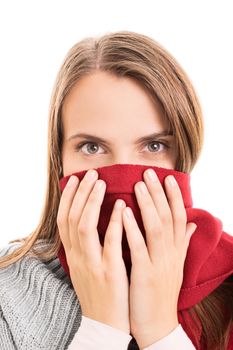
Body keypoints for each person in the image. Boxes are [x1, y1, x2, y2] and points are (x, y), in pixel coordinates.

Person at [0, 30, 233, 350]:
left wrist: (160, 330)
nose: (122, 169)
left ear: (184, 155)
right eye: (92, 147)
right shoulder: (6, 291)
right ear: (59, 160)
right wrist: (101, 329)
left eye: (154, 145)